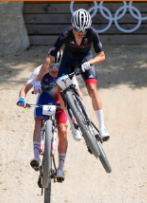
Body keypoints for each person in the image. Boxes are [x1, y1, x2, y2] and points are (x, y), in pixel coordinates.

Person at [35, 8, 110, 142]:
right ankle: (73, 125)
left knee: (92, 90)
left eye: (84, 30)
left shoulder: (92, 33)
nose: (81, 33)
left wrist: (91, 62)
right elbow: (49, 59)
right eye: (77, 29)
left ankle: (102, 127)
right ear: (73, 26)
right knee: (61, 89)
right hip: (68, 61)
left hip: (85, 60)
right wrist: (37, 80)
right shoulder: (65, 34)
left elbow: (102, 56)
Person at [17, 48, 82, 182]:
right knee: (38, 121)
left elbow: (78, 92)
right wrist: (22, 98)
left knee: (63, 130)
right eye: (51, 66)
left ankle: (60, 168)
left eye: (57, 67)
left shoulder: (67, 72)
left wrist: (78, 105)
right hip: (44, 100)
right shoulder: (39, 71)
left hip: (61, 103)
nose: (54, 70)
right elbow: (25, 88)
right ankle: (36, 156)